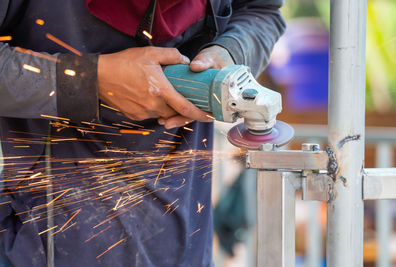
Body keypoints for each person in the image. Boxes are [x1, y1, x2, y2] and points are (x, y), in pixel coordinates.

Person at [0, 0, 285, 266]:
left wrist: (231, 51)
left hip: (186, 240)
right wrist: (90, 81)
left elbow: (261, 11)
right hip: (45, 240)